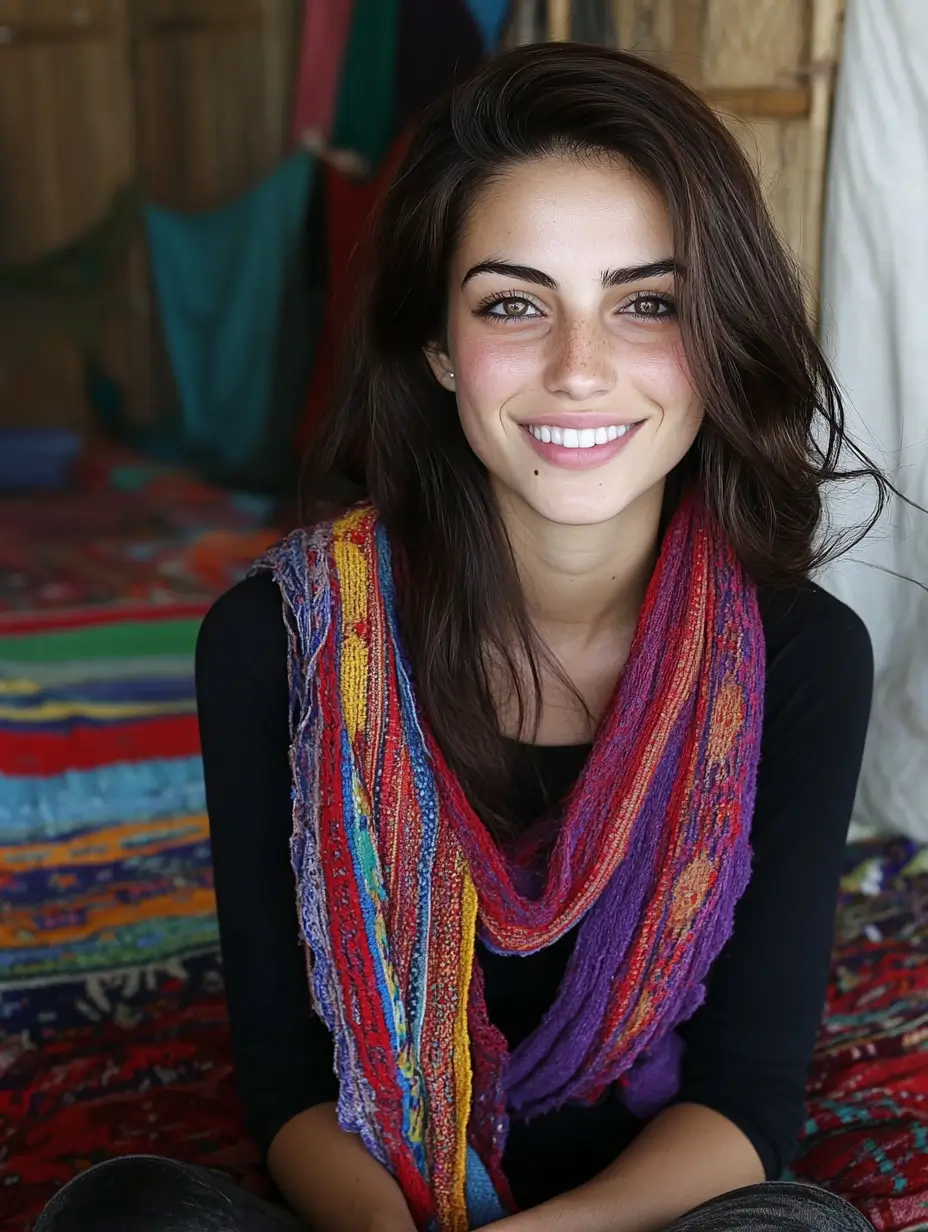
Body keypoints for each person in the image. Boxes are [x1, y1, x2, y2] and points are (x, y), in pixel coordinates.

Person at [38, 42, 880, 1232]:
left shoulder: (800, 656)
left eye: (646, 303)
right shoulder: (274, 643)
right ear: (437, 347)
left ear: (715, 340)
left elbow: (746, 1103)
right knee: (119, 1212)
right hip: (377, 1211)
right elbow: (287, 1081)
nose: (579, 369)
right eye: (512, 303)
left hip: (634, 1219)